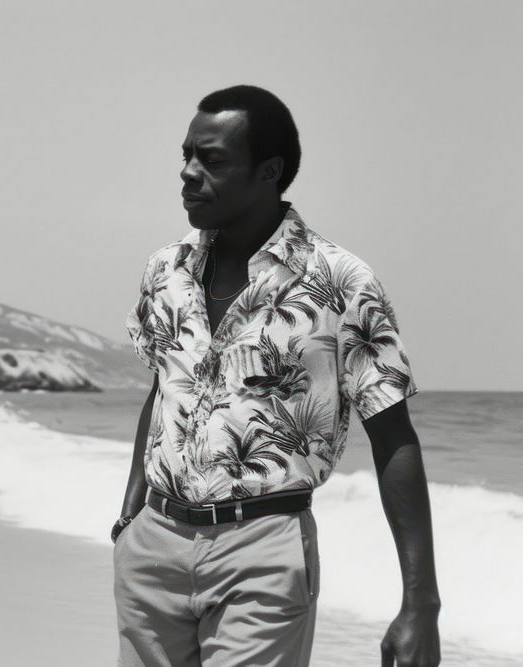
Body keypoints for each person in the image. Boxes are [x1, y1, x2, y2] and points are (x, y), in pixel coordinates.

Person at [112, 84, 441, 667]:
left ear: (269, 172)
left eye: (211, 160)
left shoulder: (339, 281)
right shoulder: (166, 269)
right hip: (152, 549)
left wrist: (420, 604)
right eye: (185, 155)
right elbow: (165, 385)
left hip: (263, 550)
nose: (188, 173)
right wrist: (131, 511)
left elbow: (394, 439)